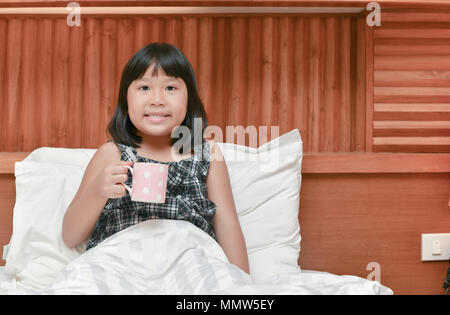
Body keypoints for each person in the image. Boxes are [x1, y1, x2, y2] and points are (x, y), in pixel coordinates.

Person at [62, 42, 249, 274]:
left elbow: (228, 225)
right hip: (119, 266)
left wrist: (242, 284)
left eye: (170, 88)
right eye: (144, 88)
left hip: (190, 266)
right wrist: (99, 190)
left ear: (188, 98)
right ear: (126, 100)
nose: (157, 100)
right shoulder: (112, 154)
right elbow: (70, 236)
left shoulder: (207, 154)